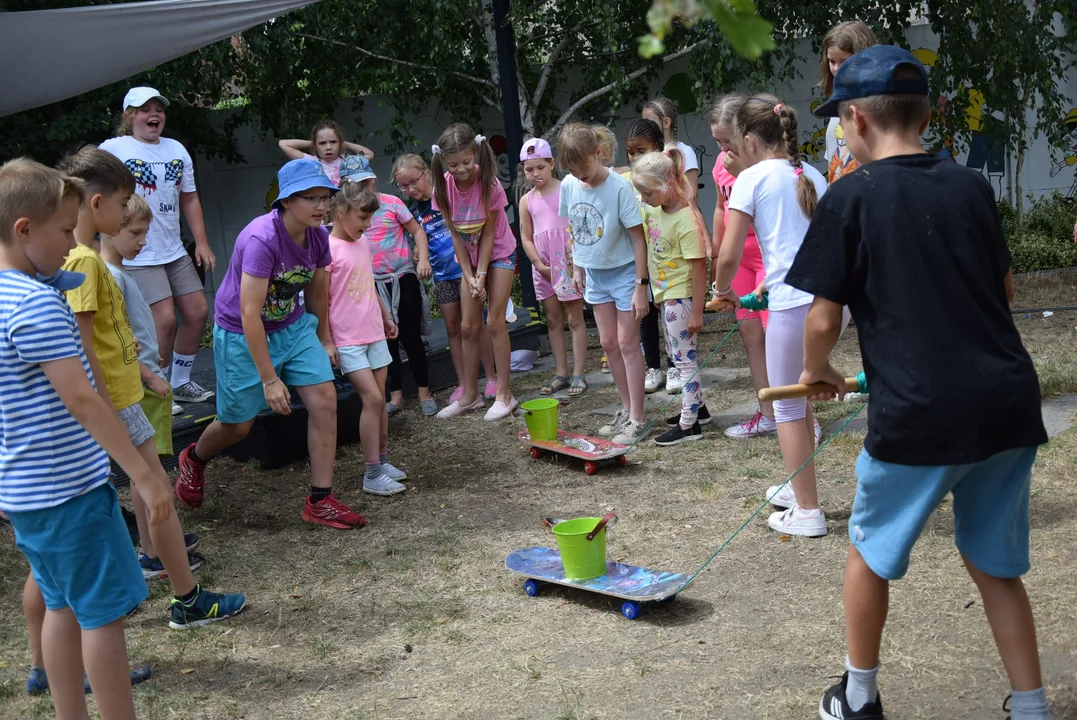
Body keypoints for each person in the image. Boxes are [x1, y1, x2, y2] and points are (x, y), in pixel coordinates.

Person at [788, 45, 1051, 720]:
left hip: (919, 414)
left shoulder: (848, 197)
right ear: (927, 113)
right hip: (1004, 403)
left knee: (869, 555)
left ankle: (858, 697)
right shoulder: (969, 186)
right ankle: (1029, 706)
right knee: (995, 564)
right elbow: (1005, 288)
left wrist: (815, 372)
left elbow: (821, 318)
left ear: (853, 120)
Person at [0, 158, 170, 719]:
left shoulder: (9, 295)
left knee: (60, 607)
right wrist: (143, 474)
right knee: (102, 616)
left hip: (27, 494)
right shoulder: (35, 305)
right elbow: (81, 398)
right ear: (25, 231)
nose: (73, 244)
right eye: (64, 231)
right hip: (69, 491)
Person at [59, 147, 245, 630]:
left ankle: (181, 593)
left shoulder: (86, 260)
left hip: (124, 399)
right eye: (124, 204)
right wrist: (108, 411)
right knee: (150, 490)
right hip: (114, 404)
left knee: (154, 491)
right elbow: (83, 352)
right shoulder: (80, 261)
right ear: (96, 203)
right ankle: (185, 599)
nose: (128, 213)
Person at [176, 158, 367, 529]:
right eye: (309, 198)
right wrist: (269, 379)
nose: (321, 206)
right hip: (242, 333)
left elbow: (317, 292)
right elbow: (249, 314)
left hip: (292, 327)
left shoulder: (318, 236)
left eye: (324, 197)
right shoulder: (261, 238)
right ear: (285, 202)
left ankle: (320, 500)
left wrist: (324, 339)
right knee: (238, 426)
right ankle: (195, 459)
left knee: (325, 400)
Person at [711, 95, 836, 538]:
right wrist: (770, 282)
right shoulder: (812, 174)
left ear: (748, 140)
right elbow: (807, 245)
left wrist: (722, 291)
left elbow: (728, 254)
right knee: (797, 401)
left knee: (785, 405)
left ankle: (808, 511)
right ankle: (797, 487)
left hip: (791, 306)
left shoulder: (752, 177)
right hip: (823, 304)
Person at [99, 86, 216, 405]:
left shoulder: (176, 149)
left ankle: (180, 382)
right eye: (145, 109)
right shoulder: (113, 149)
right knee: (163, 321)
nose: (154, 114)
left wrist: (201, 243)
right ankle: (157, 388)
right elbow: (94, 196)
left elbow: (189, 198)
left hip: (173, 249)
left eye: (159, 109)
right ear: (129, 116)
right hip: (138, 252)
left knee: (198, 311)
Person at [557, 123, 649, 444]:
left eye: (583, 165)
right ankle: (625, 409)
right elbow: (576, 230)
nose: (579, 174)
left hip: (625, 274)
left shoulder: (619, 188)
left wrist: (641, 285)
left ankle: (638, 418)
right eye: (572, 168)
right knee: (609, 345)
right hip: (594, 275)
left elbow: (639, 240)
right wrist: (578, 268)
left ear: (597, 153)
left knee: (627, 344)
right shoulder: (569, 185)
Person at [391, 153, 499, 403]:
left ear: (427, 173)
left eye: (413, 181)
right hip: (441, 276)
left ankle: (491, 377)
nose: (410, 189)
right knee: (452, 327)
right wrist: (420, 254)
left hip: (465, 271)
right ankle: (464, 382)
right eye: (403, 185)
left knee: (475, 324)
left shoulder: (447, 196)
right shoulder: (412, 212)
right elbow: (419, 240)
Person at [430, 123, 518, 421]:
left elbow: (491, 234)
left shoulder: (489, 184)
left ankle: (505, 395)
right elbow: (456, 236)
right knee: (468, 326)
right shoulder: (442, 187)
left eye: (466, 162)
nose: (461, 169)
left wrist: (480, 276)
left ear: (475, 154)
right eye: (453, 164)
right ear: (443, 160)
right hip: (467, 260)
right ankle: (470, 395)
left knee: (494, 322)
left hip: (498, 255)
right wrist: (468, 276)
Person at [336, 155, 436, 416]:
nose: (362, 189)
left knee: (411, 336)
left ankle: (425, 391)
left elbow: (418, 230)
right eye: (355, 185)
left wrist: (422, 256)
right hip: (373, 285)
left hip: (403, 277)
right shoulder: (347, 217)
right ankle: (396, 395)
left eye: (365, 183)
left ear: (372, 181)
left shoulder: (392, 203)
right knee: (385, 342)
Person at [324, 180, 407, 496]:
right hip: (348, 340)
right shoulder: (328, 249)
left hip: (374, 332)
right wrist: (327, 340)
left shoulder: (361, 244)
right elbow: (320, 299)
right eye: (362, 218)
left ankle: (382, 462)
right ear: (342, 213)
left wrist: (386, 316)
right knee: (372, 400)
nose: (368, 224)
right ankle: (372, 474)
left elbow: (368, 284)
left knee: (380, 400)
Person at [709, 93, 776, 439]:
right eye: (717, 141)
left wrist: (746, 170)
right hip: (740, 260)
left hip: (767, 257)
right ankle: (767, 413)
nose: (723, 148)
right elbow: (722, 205)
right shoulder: (722, 163)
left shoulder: (762, 162)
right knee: (751, 337)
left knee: (778, 337)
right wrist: (718, 248)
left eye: (727, 140)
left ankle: (800, 417)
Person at [631, 148, 708, 445]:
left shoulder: (686, 220)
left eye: (647, 193)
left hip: (683, 297)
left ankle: (689, 424)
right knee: (679, 354)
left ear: (665, 187)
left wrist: (697, 311)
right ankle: (699, 409)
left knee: (684, 361)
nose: (643, 200)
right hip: (666, 295)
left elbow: (699, 267)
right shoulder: (654, 207)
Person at [516, 137, 588, 397]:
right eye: (529, 169)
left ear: (551, 164)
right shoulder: (526, 200)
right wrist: (537, 263)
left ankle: (579, 372)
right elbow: (525, 236)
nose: (535, 174)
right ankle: (561, 373)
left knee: (574, 317)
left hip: (566, 261)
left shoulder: (567, 188)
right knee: (554, 320)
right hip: (542, 265)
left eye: (540, 167)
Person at [624, 118, 672, 395]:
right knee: (645, 313)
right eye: (631, 152)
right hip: (639, 258)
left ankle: (675, 364)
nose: (635, 157)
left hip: (665, 257)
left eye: (641, 151)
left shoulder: (668, 175)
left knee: (669, 311)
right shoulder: (625, 181)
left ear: (658, 147)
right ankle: (653, 367)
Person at [818, 22, 879, 184]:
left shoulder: (877, 102)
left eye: (843, 61)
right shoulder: (837, 103)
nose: (836, 69)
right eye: (831, 61)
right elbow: (834, 164)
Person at [278, 119, 375, 186]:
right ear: (315, 145)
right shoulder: (311, 162)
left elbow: (369, 154)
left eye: (333, 142)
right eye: (322, 143)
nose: (328, 147)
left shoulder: (347, 161)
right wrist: (312, 143)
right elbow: (283, 144)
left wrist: (345, 144)